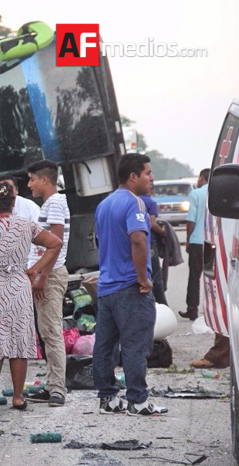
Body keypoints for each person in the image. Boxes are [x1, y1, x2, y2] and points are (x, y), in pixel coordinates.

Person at [0, 181, 61, 411]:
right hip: (19, 285)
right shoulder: (26, 225)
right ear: (12, 202)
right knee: (19, 341)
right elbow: (55, 243)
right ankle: (18, 397)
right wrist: (36, 269)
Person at [92, 153, 167, 416]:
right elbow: (137, 240)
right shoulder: (135, 203)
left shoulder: (104, 204)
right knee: (135, 346)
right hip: (129, 288)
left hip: (106, 288)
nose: (151, 177)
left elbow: (100, 243)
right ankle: (138, 401)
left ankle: (108, 399)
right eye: (147, 172)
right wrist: (143, 278)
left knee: (104, 346)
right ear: (133, 176)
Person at [23, 160, 70, 407]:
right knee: (46, 332)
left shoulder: (54, 203)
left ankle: (58, 389)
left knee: (52, 333)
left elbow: (56, 243)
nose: (29, 184)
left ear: (44, 180)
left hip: (50, 276)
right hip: (46, 273)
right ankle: (52, 384)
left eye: (32, 179)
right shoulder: (51, 203)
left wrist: (41, 275)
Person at [180, 168, 210, 320]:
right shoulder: (217, 192)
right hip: (213, 243)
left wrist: (188, 239)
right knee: (213, 278)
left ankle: (192, 309)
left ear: (202, 178)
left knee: (194, 276)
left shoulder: (196, 194)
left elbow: (190, 220)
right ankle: (213, 309)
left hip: (198, 242)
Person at [140, 185, 168, 305]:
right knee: (156, 274)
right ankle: (162, 304)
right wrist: (163, 232)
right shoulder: (150, 202)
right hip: (149, 242)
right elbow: (151, 223)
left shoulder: (134, 200)